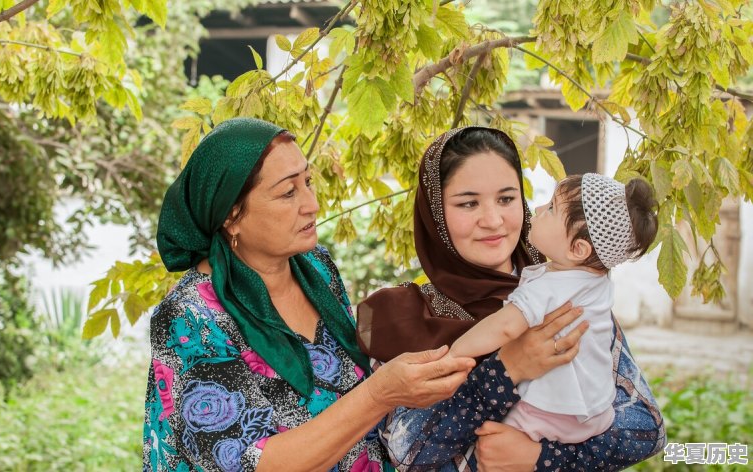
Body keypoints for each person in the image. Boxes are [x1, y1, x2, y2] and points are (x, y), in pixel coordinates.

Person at [143, 117, 477, 472]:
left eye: (308, 182)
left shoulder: (315, 267)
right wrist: (380, 394)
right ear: (231, 216)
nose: (312, 204)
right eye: (289, 192)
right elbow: (251, 464)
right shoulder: (190, 318)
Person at [357, 126, 666, 470]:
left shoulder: (564, 287)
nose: (493, 220)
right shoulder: (400, 318)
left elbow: (646, 428)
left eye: (506, 199)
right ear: (436, 214)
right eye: (468, 203)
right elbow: (407, 453)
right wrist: (507, 369)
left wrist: (543, 458)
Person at [449, 173, 658, 444]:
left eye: (550, 209)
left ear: (578, 249)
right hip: (599, 410)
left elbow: (504, 326)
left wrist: (455, 351)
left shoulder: (550, 287)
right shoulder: (597, 281)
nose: (536, 209)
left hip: (550, 412)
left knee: (488, 439)